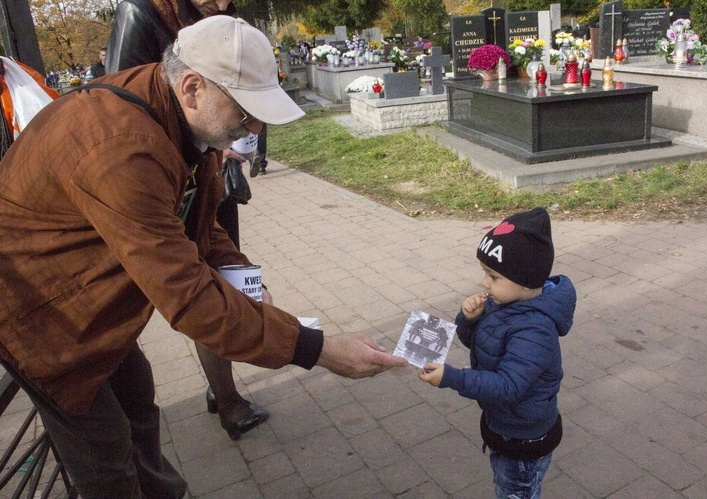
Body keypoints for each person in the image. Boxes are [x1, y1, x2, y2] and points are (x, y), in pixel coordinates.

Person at [0, 17, 407, 498]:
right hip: (39, 315)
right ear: (193, 87)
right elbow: (187, 296)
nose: (253, 128)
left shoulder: (178, 113)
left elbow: (196, 215)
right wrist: (315, 349)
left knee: (137, 405)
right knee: (104, 456)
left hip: (87, 296)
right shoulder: (122, 147)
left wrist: (239, 274)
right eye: (245, 111)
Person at [106, 0, 268, 439]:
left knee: (221, 273)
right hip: (153, 185)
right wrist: (306, 346)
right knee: (187, 285)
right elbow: (120, 97)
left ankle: (225, 392)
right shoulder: (140, 15)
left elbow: (251, 94)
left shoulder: (231, 24)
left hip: (204, 170)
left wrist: (229, 138)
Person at [419, 207, 576, 499]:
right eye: (484, 274)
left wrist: (451, 378)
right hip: (504, 425)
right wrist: (470, 318)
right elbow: (479, 344)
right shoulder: (502, 304)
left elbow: (507, 385)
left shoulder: (535, 331)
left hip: (523, 439)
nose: (484, 283)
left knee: (516, 491)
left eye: (493, 276)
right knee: (506, 485)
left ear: (525, 280)